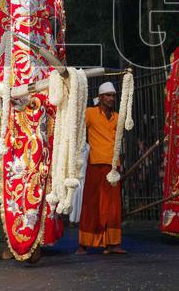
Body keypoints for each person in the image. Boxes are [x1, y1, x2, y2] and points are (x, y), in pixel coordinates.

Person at [77, 82, 126, 255]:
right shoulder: (89, 113)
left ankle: (113, 243)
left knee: (113, 206)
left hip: (113, 166)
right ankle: (84, 243)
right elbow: (77, 129)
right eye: (108, 95)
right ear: (100, 97)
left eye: (113, 95)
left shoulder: (118, 117)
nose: (112, 98)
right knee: (92, 203)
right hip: (96, 164)